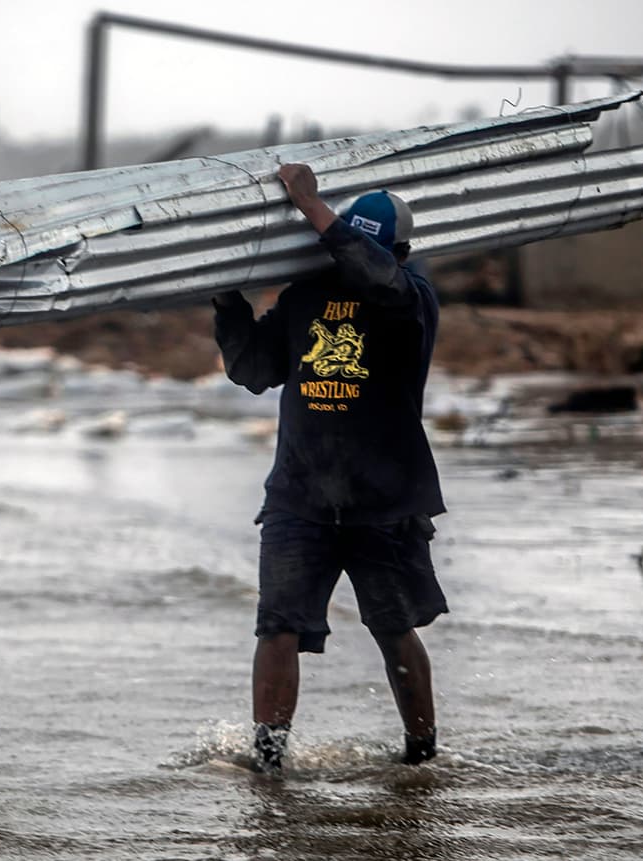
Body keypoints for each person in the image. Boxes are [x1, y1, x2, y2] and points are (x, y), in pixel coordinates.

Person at [212, 163, 447, 773]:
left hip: (383, 500)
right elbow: (253, 370)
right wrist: (225, 295)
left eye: (364, 247)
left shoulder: (411, 300)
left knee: (393, 626)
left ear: (399, 253)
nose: (346, 257)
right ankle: (268, 763)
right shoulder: (305, 298)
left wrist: (313, 207)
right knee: (277, 627)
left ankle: (421, 758)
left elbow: (377, 274)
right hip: (300, 496)